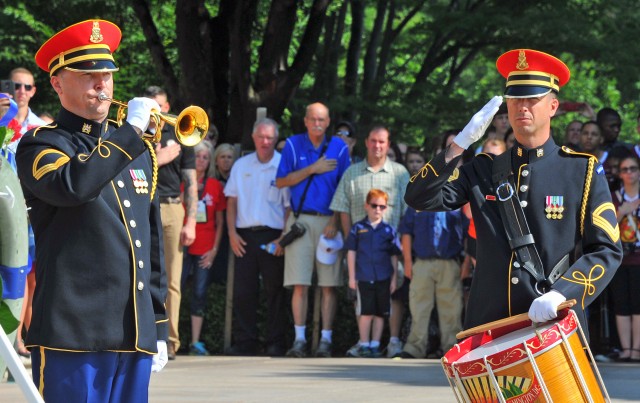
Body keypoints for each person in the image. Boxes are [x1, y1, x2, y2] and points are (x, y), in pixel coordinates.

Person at [405, 49, 622, 335]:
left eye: (532, 98)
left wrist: (564, 292)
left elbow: (606, 249)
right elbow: (418, 197)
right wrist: (459, 145)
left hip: (552, 323)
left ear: (553, 106)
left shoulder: (580, 172)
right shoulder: (482, 169)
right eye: (515, 98)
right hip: (489, 324)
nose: (522, 106)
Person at [16, 19, 168, 402]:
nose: (102, 84)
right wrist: (130, 133)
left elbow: (148, 242)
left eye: (107, 74)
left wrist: (158, 324)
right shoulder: (42, 144)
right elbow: (75, 186)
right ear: (56, 83)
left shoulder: (135, 151)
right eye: (88, 75)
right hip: (73, 332)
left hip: (132, 332)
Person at [276, 102, 350, 357]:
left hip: (330, 221)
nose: (317, 124)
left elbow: (344, 188)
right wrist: (312, 169)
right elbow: (281, 181)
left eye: (322, 120)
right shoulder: (293, 145)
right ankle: (299, 340)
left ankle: (326, 341)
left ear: (328, 122)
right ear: (306, 121)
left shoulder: (339, 147)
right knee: (300, 284)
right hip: (301, 222)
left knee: (329, 284)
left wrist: (336, 221)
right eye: (313, 119)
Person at [330, 125, 410, 357]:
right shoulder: (352, 173)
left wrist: (405, 251)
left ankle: (393, 340)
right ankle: (364, 342)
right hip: (362, 250)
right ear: (366, 142)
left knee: (394, 294)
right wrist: (350, 242)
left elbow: (407, 213)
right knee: (363, 298)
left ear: (388, 144)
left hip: (391, 250)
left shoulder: (400, 173)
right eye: (373, 141)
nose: (377, 146)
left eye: (382, 142)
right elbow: (342, 209)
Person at [225, 118, 290, 356]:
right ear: (253, 137)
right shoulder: (241, 166)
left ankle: (275, 341)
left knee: (275, 291)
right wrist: (231, 233)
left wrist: (283, 237)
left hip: (274, 235)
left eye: (270, 138)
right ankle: (246, 341)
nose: (265, 142)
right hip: (244, 236)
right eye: (261, 137)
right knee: (244, 291)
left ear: (275, 139)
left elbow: (288, 208)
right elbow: (231, 201)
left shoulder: (284, 165)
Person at [143, 85, 197, 360]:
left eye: (162, 107)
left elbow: (191, 181)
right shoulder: (136, 134)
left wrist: (192, 221)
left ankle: (171, 341)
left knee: (173, 280)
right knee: (145, 276)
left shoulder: (181, 134)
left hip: (174, 209)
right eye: (153, 106)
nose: (159, 112)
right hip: (144, 207)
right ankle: (147, 336)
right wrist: (158, 157)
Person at [179, 140, 226, 356]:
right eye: (197, 156)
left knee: (199, 292)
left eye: (205, 157)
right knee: (175, 289)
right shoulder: (182, 181)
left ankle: (196, 342)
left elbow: (220, 221)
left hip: (205, 247)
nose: (201, 161)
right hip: (181, 243)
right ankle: (172, 338)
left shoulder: (216, 186)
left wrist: (215, 249)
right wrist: (189, 191)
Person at [346, 189, 401, 358]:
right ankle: (364, 343)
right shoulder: (358, 228)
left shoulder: (389, 230)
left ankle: (375, 344)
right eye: (374, 205)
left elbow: (394, 256)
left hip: (384, 277)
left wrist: (394, 279)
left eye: (382, 206)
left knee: (380, 313)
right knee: (365, 312)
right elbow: (351, 252)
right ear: (366, 206)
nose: (378, 209)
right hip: (363, 276)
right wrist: (351, 276)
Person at [610, 155, 640, 362]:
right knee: (621, 303)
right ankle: (625, 349)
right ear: (620, 174)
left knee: (638, 304)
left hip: (639, 258)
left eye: (633, 168)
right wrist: (622, 212)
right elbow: (607, 224)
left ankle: (636, 350)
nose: (629, 172)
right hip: (621, 257)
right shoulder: (614, 197)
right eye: (625, 169)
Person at [209, 143, 236, 284]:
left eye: (229, 157)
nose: (226, 160)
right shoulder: (210, 180)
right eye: (223, 157)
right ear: (216, 160)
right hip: (214, 224)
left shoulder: (238, 179)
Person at [6, 67, 47, 139]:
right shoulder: (1, 121)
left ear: (33, 91)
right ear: (8, 87)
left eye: (27, 87)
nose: (22, 91)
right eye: (17, 86)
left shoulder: (42, 127)